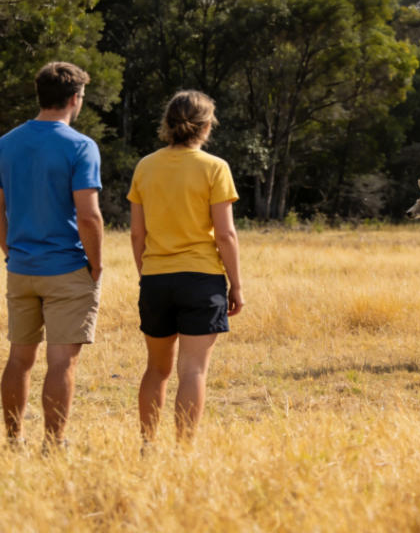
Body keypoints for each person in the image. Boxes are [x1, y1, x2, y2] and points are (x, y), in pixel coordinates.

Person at [128, 90, 243, 446]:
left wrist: (146, 274)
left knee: (156, 369)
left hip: (156, 280)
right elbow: (225, 234)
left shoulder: (145, 165)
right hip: (201, 280)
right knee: (192, 370)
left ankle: (148, 445)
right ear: (206, 126)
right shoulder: (214, 167)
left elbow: (136, 233)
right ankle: (184, 449)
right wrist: (235, 285)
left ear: (168, 122)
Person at [0, 62, 104, 452]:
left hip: (21, 267)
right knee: (62, 362)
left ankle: (13, 442)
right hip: (67, 267)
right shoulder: (80, 146)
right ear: (75, 98)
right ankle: (53, 443)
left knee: (19, 359)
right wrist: (96, 264)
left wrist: (9, 250)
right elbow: (89, 216)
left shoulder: (6, 142)